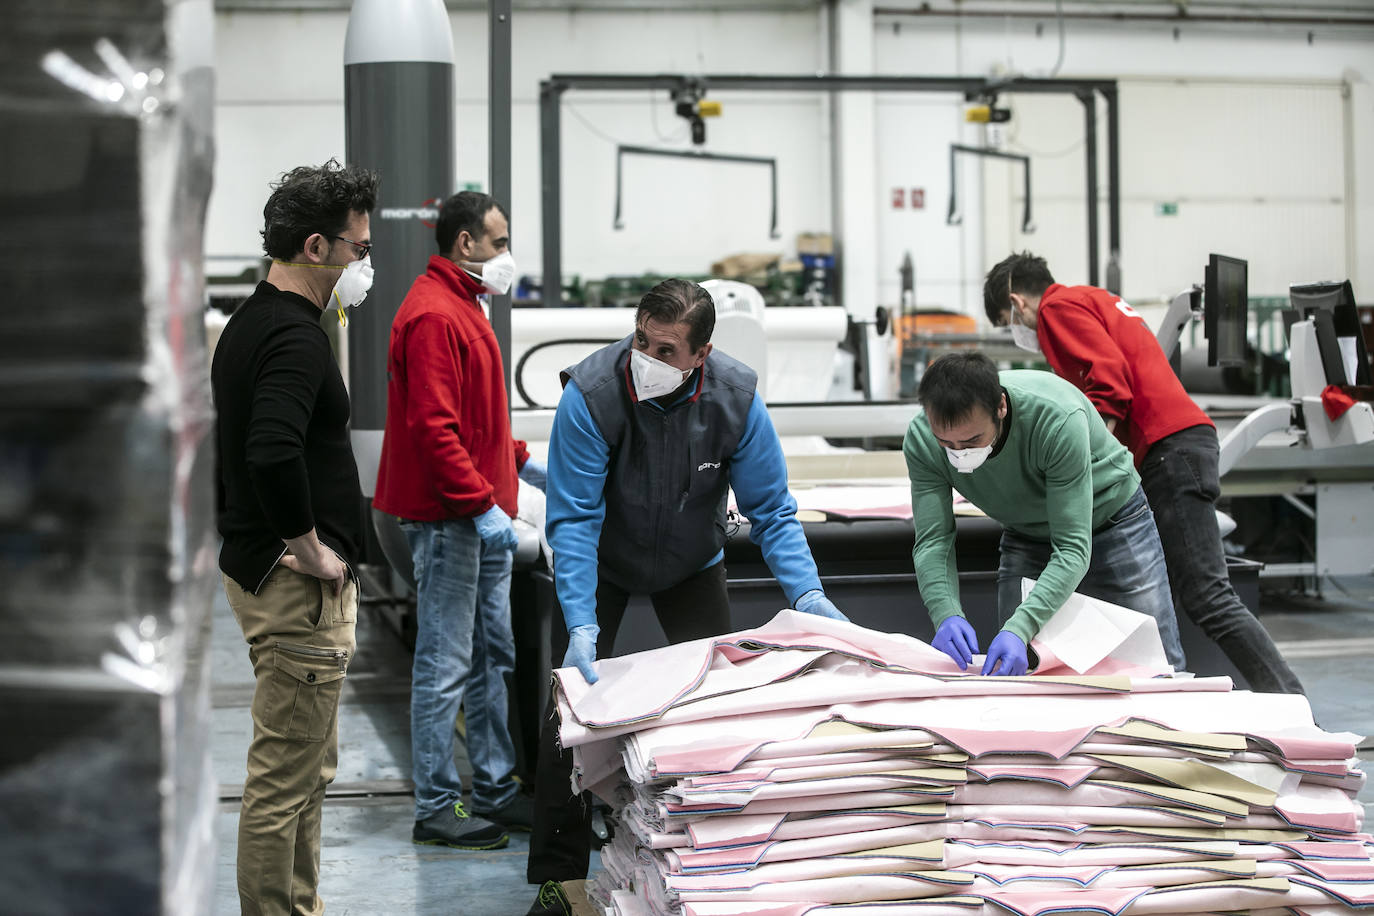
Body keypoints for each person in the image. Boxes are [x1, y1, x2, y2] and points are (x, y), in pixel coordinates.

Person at [524, 278, 847, 915]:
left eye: (667, 348)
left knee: (714, 706)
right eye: (642, 340)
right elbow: (574, 521)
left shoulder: (735, 399)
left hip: (693, 563)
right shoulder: (591, 394)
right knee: (566, 717)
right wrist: (583, 622)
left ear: (701, 353)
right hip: (604, 563)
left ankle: (707, 863)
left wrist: (806, 592)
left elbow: (773, 511)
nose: (647, 357)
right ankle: (559, 881)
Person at [982, 251, 1305, 694]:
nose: (1016, 333)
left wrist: (1083, 466)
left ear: (1018, 304)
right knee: (1175, 596)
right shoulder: (1092, 298)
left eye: (1007, 322)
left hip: (1166, 450)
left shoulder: (1056, 309)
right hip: (1174, 444)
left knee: (1209, 598)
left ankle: (1294, 705)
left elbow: (1108, 386)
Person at [212, 158, 378, 916]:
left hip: (269, 577)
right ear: (317, 248)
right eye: (359, 250)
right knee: (285, 782)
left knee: (306, 771)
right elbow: (271, 449)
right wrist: (308, 546)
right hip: (296, 592)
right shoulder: (294, 338)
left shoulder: (252, 322)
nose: (362, 264)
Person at [373, 191, 543, 852]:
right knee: (445, 664)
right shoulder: (432, 316)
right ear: (466, 243)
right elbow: (435, 430)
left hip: (481, 511)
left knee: (493, 656)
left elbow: (475, 420)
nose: (506, 256)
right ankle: (439, 805)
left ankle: (496, 790)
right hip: (451, 521)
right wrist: (481, 508)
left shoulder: (465, 306)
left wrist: (522, 462)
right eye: (499, 242)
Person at [905, 352, 1186, 677]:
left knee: (1160, 670)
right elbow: (933, 542)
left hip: (1114, 520)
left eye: (972, 440)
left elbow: (1072, 548)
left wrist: (1020, 627)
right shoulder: (922, 439)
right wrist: (946, 613)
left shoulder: (1056, 418)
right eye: (946, 443)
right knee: (1016, 672)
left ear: (1001, 407)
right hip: (1027, 532)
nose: (960, 453)